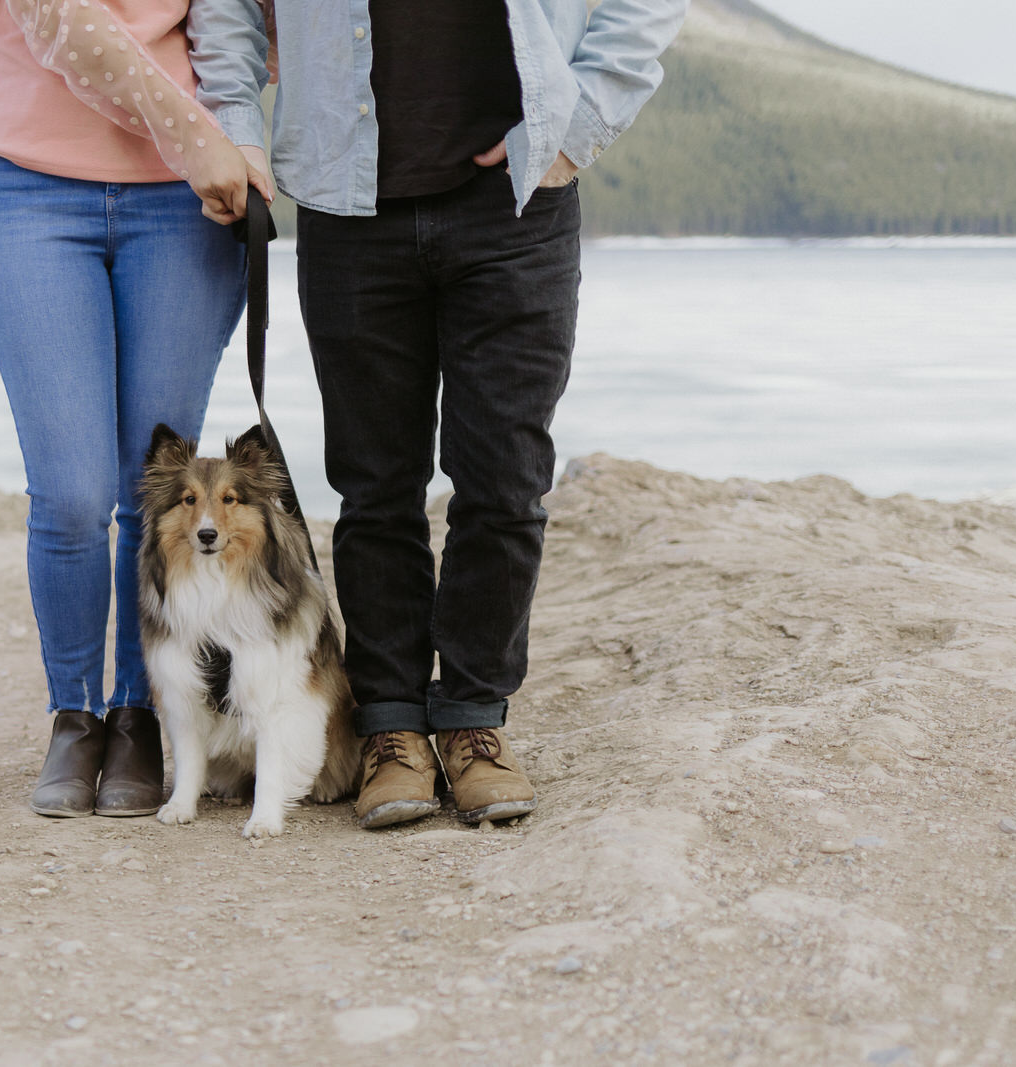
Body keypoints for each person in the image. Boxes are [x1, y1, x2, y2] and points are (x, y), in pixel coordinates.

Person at [187, 0, 686, 827]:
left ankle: (473, 718)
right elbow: (228, 8)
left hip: (517, 204)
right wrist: (235, 123)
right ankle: (390, 728)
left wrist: (576, 127)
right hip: (349, 206)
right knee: (374, 485)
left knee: (505, 477)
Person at [0, 0, 272, 818]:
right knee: (68, 494)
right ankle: (75, 716)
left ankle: (141, 716)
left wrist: (237, 138)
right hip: (31, 194)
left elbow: (255, 29)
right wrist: (198, 137)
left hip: (184, 206)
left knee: (159, 492)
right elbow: (65, 20)